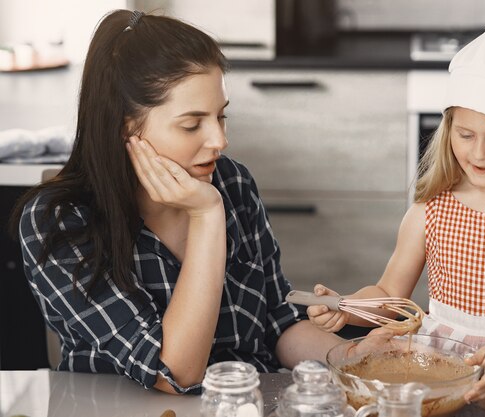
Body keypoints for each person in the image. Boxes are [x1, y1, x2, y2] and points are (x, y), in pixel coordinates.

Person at [10, 9, 347, 394]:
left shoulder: (232, 182)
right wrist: (206, 216)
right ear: (126, 124)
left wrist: (359, 358)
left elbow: (277, 322)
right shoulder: (59, 221)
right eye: (191, 124)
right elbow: (174, 373)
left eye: (221, 117)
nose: (219, 141)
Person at [307, 20, 485, 402]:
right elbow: (391, 293)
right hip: (439, 361)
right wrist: (347, 308)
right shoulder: (431, 208)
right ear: (448, 129)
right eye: (465, 135)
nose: (478, 153)